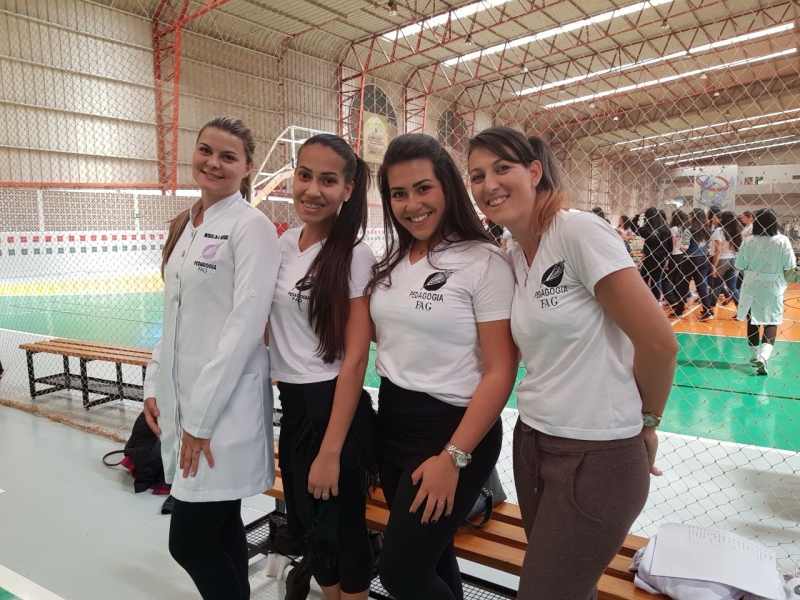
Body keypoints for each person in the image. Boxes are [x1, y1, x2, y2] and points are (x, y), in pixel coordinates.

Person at [467, 126, 678, 600]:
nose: (489, 184)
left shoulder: (578, 231)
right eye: (477, 176)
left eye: (502, 168)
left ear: (534, 172)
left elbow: (660, 344)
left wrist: (648, 421)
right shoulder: (514, 255)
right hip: (533, 443)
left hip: (597, 456)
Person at [368, 133, 518, 600]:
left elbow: (501, 371)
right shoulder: (394, 260)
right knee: (430, 558)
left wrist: (453, 458)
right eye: (399, 193)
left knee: (400, 573)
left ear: (448, 187)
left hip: (451, 432)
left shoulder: (484, 262)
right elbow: (393, 335)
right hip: (392, 423)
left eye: (423, 188)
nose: (412, 204)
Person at [143, 116, 280, 600]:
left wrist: (200, 422)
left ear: (247, 167)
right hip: (187, 405)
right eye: (206, 150)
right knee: (222, 528)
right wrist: (153, 385)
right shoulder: (186, 225)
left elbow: (245, 327)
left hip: (221, 413)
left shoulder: (252, 227)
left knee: (189, 542)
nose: (214, 163)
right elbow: (174, 318)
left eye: (228, 156)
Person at [268, 134, 377, 600]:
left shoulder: (354, 254)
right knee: (309, 531)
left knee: (342, 535)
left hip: (333, 408)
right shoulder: (282, 244)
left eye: (328, 180)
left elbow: (356, 359)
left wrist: (331, 451)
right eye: (304, 175)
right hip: (293, 406)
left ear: (348, 189)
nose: (312, 190)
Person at [736, 209, 796, 375]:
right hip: (773, 284)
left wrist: (751, 275)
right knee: (772, 321)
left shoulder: (748, 241)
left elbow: (740, 265)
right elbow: (789, 266)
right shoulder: (782, 240)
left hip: (751, 283)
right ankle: (763, 356)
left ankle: (753, 357)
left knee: (752, 320)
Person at [675, 208, 714, 321]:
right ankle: (707, 311)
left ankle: (679, 310)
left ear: (693, 217)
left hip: (690, 259)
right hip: (703, 259)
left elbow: (685, 247)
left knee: (683, 285)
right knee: (701, 286)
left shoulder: (689, 230)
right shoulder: (707, 230)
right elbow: (709, 248)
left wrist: (679, 246)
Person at [638, 207, 672, 301]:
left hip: (650, 258)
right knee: (656, 281)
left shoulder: (648, 231)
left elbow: (634, 227)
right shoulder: (666, 230)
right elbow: (670, 248)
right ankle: (656, 300)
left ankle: (644, 298)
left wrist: (638, 214)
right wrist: (667, 260)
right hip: (660, 259)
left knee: (644, 279)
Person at [710, 210, 742, 308]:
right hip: (733, 259)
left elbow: (718, 251)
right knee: (732, 287)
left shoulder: (719, 231)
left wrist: (713, 266)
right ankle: (741, 310)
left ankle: (710, 309)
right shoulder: (736, 231)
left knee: (716, 286)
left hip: (722, 260)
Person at [665, 210, 688, 316]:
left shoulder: (674, 229)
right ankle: (681, 299)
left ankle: (672, 299)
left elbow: (672, 243)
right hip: (681, 254)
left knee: (667, 278)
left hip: (674, 255)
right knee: (676, 279)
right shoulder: (684, 228)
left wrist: (667, 259)